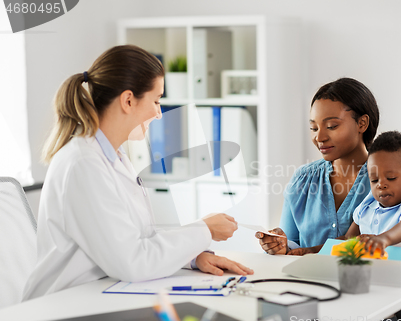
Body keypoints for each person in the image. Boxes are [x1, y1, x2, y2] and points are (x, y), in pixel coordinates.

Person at [23, 45, 253, 300]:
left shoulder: (114, 157)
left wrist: (193, 257)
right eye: (156, 100)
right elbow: (133, 262)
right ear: (128, 100)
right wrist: (204, 230)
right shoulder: (83, 163)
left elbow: (140, 239)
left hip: (99, 292)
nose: (158, 113)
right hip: (63, 303)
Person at [256, 77, 401, 267]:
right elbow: (293, 246)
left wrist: (396, 252)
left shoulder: (397, 183)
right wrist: (281, 246)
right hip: (313, 290)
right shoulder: (302, 180)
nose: (320, 137)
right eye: (314, 128)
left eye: (332, 126)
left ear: (362, 123)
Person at [345, 131, 401, 256]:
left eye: (391, 178)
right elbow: (347, 240)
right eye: (374, 180)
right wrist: (313, 250)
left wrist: (384, 239)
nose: (380, 185)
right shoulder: (367, 205)